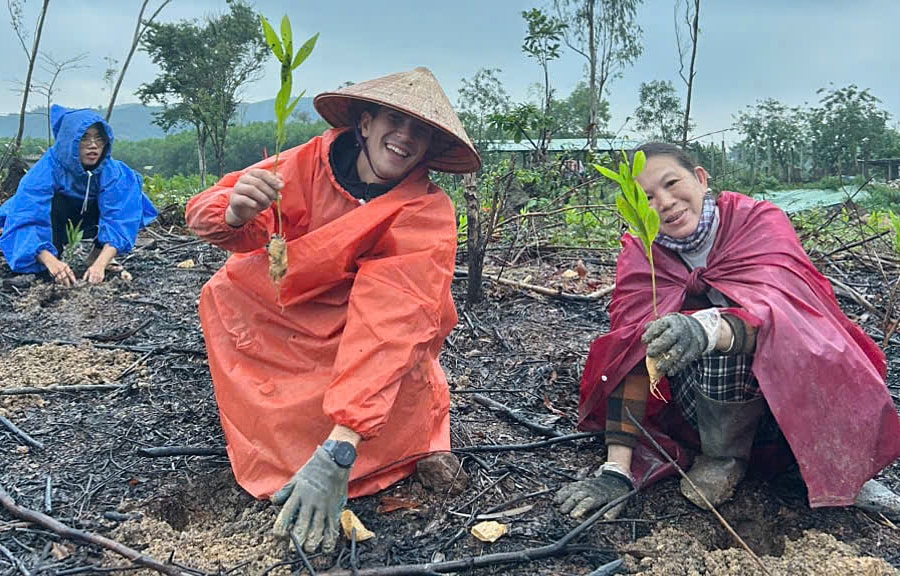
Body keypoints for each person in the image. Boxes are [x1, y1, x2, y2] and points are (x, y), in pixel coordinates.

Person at [184, 67, 481, 554]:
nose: (404, 137)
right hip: (286, 316)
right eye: (393, 120)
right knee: (227, 289)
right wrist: (235, 210)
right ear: (364, 124)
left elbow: (392, 326)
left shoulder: (425, 213)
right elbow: (214, 211)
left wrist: (342, 446)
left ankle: (357, 446)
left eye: (420, 131)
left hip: (364, 341)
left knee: (383, 401)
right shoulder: (306, 162)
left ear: (428, 148)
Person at [556, 142, 900, 521]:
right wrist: (616, 472)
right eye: (646, 197)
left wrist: (706, 328)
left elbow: (793, 321)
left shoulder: (757, 222)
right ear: (634, 211)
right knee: (651, 339)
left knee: (788, 341)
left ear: (701, 179)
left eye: (673, 183)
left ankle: (842, 465)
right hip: (699, 413)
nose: (666, 202)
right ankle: (722, 459)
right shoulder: (642, 259)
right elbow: (629, 355)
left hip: (788, 399)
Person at [0, 105, 158, 285]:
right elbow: (27, 217)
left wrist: (100, 265)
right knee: (46, 262)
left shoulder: (115, 173)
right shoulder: (45, 170)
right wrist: (50, 261)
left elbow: (120, 219)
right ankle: (51, 257)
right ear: (70, 141)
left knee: (128, 199)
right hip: (57, 221)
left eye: (99, 139)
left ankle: (96, 255)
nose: (93, 146)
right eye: (85, 139)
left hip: (91, 220)